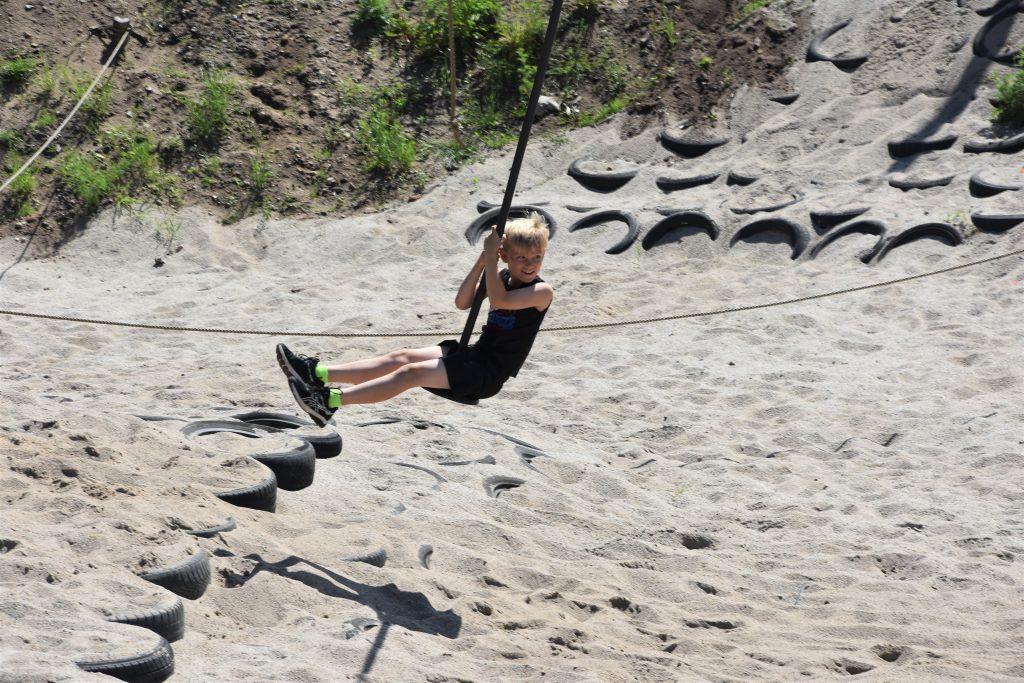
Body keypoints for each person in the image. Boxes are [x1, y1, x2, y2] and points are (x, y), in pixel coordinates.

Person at [278, 213, 553, 426]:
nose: (530, 264)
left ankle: (329, 401)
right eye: (521, 257)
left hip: (487, 373)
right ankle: (317, 373)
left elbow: (500, 301)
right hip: (475, 353)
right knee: (403, 357)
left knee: (411, 374)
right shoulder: (501, 277)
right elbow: (462, 302)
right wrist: (483, 261)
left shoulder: (541, 292)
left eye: (536, 257)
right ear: (506, 257)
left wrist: (493, 264)